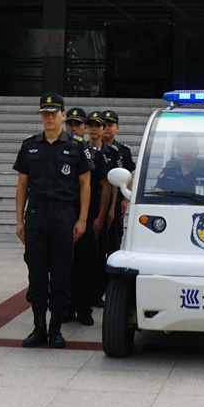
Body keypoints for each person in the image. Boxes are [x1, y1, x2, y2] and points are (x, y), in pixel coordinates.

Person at [13, 92, 92, 348]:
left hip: (63, 216)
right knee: (36, 272)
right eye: (45, 114)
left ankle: (56, 328)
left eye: (53, 113)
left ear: (63, 115)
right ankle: (39, 328)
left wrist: (82, 219)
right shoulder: (29, 145)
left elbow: (85, 185)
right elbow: (22, 185)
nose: (49, 118)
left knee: (61, 273)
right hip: (36, 215)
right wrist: (19, 221)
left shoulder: (76, 146)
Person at [68, 113, 112, 327]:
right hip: (65, 214)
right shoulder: (60, 150)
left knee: (86, 263)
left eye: (77, 124)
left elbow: (105, 186)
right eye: (70, 124)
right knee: (65, 264)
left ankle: (84, 308)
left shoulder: (92, 154)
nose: (73, 128)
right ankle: (66, 307)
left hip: (88, 213)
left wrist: (100, 217)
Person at [101, 111, 133, 258]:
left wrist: (126, 200)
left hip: (117, 201)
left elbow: (129, 176)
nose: (107, 128)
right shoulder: (90, 149)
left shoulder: (123, 151)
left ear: (117, 128)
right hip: (96, 199)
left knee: (114, 240)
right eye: (104, 125)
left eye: (110, 125)